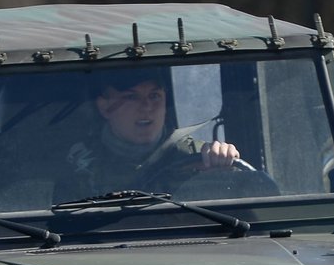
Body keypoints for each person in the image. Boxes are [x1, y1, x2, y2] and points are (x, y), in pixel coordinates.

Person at [55, 70, 241, 199]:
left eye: (154, 96)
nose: (146, 107)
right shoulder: (79, 163)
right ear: (104, 106)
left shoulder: (197, 155)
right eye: (131, 97)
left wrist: (223, 166)